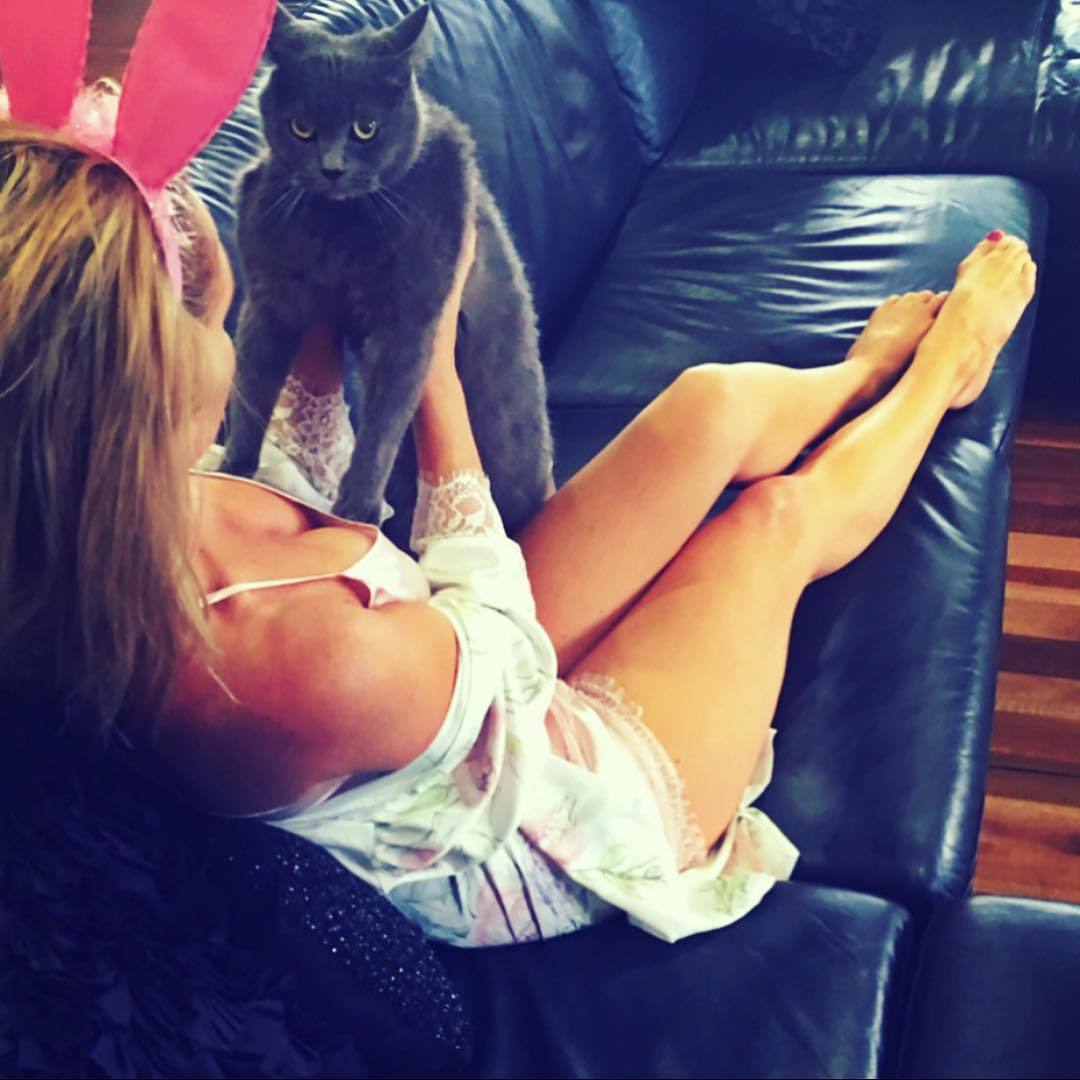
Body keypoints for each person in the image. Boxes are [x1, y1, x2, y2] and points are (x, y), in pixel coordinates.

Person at [0, 121, 1037, 947]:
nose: (222, 317)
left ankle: (859, 374)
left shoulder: (96, 500)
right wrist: (431, 367)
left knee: (710, 405)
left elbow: (288, 487)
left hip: (456, 692)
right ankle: (943, 373)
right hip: (547, 819)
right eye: (197, 316)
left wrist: (318, 312)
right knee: (770, 525)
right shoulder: (285, 667)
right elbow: (502, 643)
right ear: (136, 406)